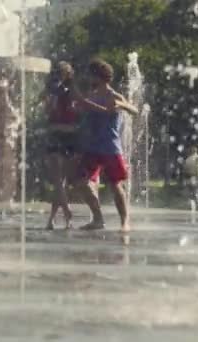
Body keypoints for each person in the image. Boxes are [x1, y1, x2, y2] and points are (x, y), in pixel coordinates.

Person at [72, 58, 138, 232]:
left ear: (98, 76)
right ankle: (98, 218)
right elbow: (85, 114)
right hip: (92, 147)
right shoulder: (91, 96)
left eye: (90, 75)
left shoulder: (113, 95)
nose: (87, 78)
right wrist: (78, 107)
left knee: (115, 185)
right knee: (81, 182)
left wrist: (122, 104)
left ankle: (125, 221)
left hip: (110, 146)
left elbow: (135, 111)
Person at [43, 61, 78, 230]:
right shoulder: (56, 91)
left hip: (62, 135)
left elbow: (50, 112)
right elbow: (48, 111)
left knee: (60, 181)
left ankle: (62, 214)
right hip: (63, 135)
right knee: (59, 181)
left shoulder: (69, 92)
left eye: (62, 73)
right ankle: (61, 216)